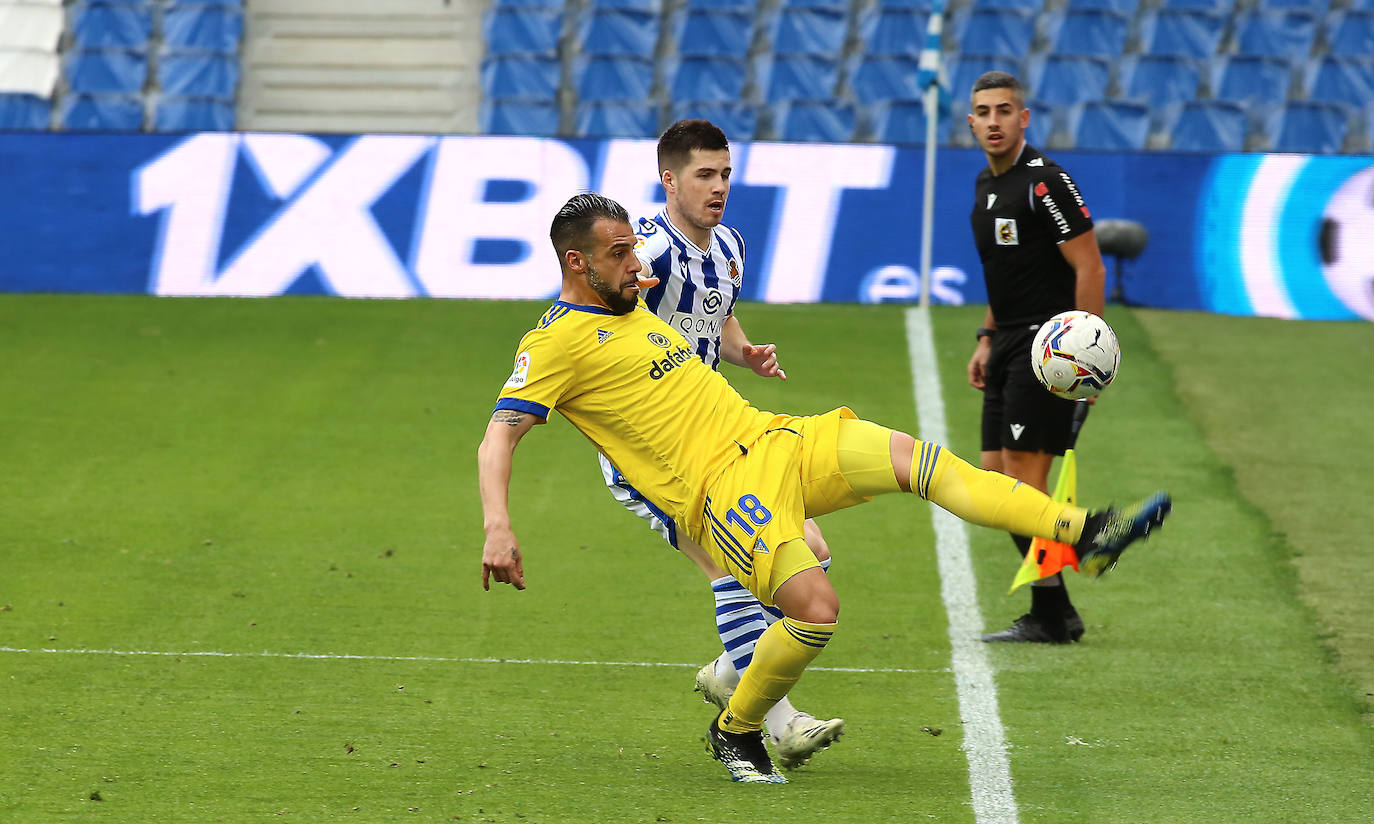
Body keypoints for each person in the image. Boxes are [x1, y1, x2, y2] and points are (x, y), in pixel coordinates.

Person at [478, 192, 1171, 784]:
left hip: (775, 436)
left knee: (921, 461)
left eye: (635, 249)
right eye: (621, 254)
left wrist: (742, 345)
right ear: (577, 263)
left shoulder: (631, 302)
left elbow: (709, 304)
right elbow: (498, 437)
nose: (638, 265)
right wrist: (499, 528)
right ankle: (737, 728)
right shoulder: (553, 345)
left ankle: (1086, 532)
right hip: (721, 492)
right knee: (815, 610)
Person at [603, 119, 843, 769]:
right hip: (655, 452)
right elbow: (592, 325)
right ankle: (780, 724)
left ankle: (732, 674)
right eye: (704, 175)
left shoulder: (730, 245)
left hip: (722, 434)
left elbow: (717, 316)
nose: (718, 187)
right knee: (736, 568)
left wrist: (745, 352)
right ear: (669, 180)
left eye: (725, 174)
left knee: (811, 551)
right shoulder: (645, 254)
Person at [965, 71, 1110, 645]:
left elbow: (1090, 267)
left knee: (1023, 484)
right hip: (1005, 342)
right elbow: (1007, 273)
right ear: (971, 122)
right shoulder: (985, 185)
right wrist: (984, 336)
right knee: (999, 482)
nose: (994, 121)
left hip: (1048, 348)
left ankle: (1091, 540)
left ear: (1023, 118)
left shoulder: (1045, 184)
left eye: (1005, 110)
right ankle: (1055, 611)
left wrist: (1087, 354)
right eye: (984, 112)